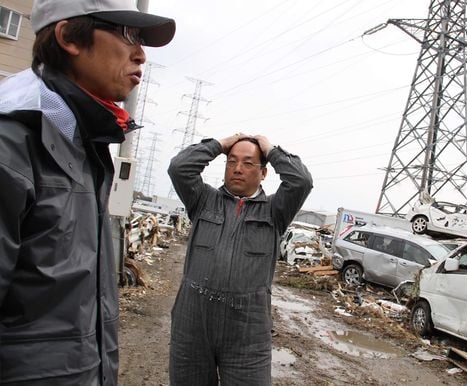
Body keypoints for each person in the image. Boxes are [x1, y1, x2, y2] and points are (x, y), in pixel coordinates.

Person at [0, 1, 175, 385]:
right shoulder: (12, 147)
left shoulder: (82, 143)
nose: (141, 54)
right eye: (128, 34)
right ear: (68, 37)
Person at [168, 134, 313, 385]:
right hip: (192, 327)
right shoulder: (203, 201)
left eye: (248, 163)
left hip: (247, 333)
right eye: (231, 161)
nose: (237, 168)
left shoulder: (275, 211)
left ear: (264, 172)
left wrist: (270, 150)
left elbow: (300, 181)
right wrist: (219, 145)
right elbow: (179, 167)